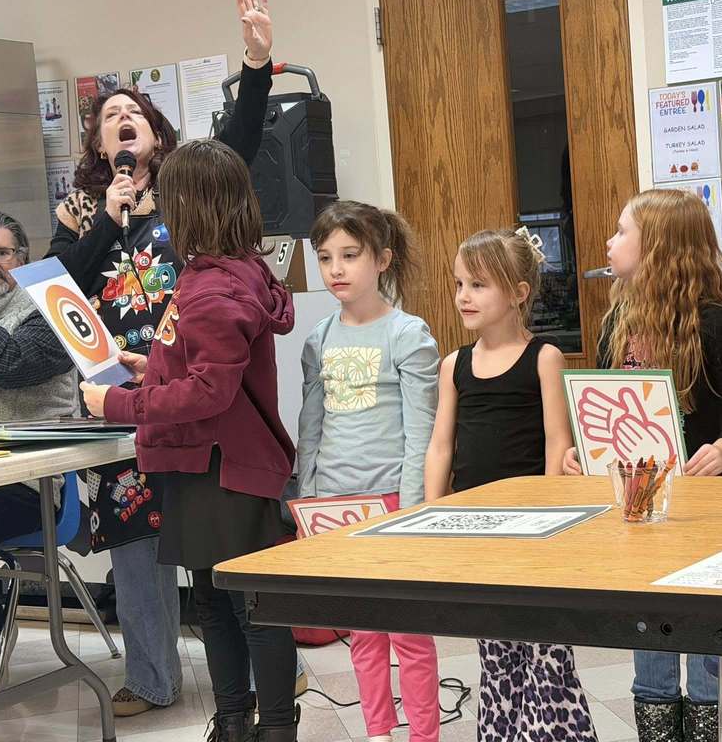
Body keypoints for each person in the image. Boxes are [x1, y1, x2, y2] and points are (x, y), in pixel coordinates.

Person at [45, 0, 276, 717]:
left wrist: (258, 62)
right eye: (108, 116)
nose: (121, 122)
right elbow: (62, 298)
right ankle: (152, 676)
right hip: (130, 397)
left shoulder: (192, 195)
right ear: (97, 144)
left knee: (223, 558)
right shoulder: (82, 212)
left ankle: (259, 689)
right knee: (137, 548)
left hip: (198, 400)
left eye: (132, 112)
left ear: (155, 133)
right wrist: (102, 227)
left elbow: (236, 148)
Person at [81, 139, 300, 742]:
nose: (158, 208)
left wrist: (121, 403)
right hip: (209, 467)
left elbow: (208, 393)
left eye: (166, 198)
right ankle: (233, 721)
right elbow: (200, 362)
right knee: (217, 607)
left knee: (247, 610)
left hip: (222, 471)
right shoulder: (225, 272)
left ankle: (274, 726)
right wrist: (151, 363)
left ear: (191, 205)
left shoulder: (211, 288)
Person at [562, 189, 722, 742]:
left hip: (700, 501)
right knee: (648, 617)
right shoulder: (616, 318)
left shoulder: (713, 322)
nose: (608, 241)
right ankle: (657, 716)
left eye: (621, 231)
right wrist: (580, 446)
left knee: (701, 611)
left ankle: (709, 712)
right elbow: (600, 397)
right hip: (634, 501)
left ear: (660, 246)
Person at [424, 228, 596, 742]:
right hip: (475, 530)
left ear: (519, 292)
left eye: (478, 285)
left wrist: (551, 524)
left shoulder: (544, 357)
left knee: (545, 648)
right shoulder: (454, 364)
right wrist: (430, 515)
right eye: (459, 284)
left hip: (532, 529)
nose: (463, 296)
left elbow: (556, 442)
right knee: (495, 651)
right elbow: (440, 447)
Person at [296, 201, 441, 742]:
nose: (336, 269)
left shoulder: (408, 334)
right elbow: (310, 426)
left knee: (410, 633)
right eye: (326, 256)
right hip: (336, 507)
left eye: (350, 255)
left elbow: (421, 430)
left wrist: (412, 507)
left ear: (382, 259)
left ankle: (425, 735)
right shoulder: (319, 339)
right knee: (363, 632)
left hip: (393, 504)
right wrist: (309, 501)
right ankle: (377, 733)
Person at [0, 211, 78, 684]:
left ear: (22, 260)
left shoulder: (45, 307)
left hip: (34, 486)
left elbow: (10, 364)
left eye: (1, 253)